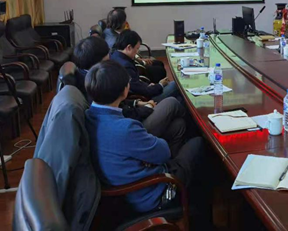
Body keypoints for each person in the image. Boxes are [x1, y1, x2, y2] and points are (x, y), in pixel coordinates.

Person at [85, 60, 203, 213]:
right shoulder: (125, 129)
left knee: (178, 125)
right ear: (124, 91)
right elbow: (164, 152)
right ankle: (199, 213)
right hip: (151, 194)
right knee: (198, 143)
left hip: (126, 184)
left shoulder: (89, 115)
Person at [73, 36, 187, 156]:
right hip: (130, 126)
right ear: (98, 63)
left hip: (129, 115)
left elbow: (115, 103)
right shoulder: (95, 84)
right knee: (172, 102)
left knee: (178, 125)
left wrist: (137, 102)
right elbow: (122, 113)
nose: (110, 60)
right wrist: (147, 107)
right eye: (107, 59)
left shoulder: (89, 78)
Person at [110, 30, 178, 102]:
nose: (137, 52)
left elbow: (136, 84)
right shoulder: (126, 66)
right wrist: (160, 85)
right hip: (146, 98)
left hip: (144, 90)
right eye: (137, 49)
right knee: (175, 85)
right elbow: (141, 91)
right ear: (129, 47)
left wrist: (148, 85)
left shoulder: (115, 55)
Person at [103, 8, 167, 83]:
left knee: (158, 64)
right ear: (122, 22)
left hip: (130, 61)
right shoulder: (115, 41)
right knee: (160, 70)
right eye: (125, 20)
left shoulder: (107, 31)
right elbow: (125, 55)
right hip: (132, 68)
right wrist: (141, 61)